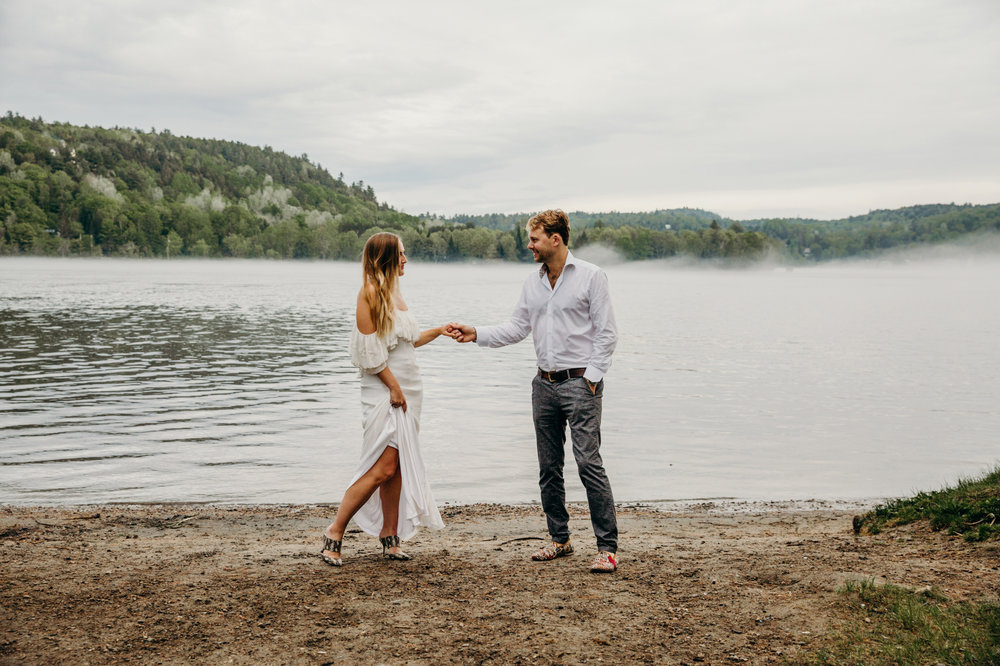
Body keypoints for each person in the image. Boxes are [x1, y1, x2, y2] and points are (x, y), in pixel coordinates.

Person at [448, 210, 620, 573]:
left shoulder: (591, 277)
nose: (530, 245)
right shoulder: (533, 282)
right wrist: (475, 332)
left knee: (589, 464)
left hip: (580, 384)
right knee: (549, 468)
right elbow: (516, 328)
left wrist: (591, 378)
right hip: (543, 384)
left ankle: (607, 548)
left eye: (535, 239)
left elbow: (607, 334)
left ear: (555, 239)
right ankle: (560, 540)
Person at [321, 232, 452, 566]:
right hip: (385, 390)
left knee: (397, 469)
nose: (407, 260)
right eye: (402, 254)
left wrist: (438, 331)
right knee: (383, 467)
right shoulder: (368, 293)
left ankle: (389, 537)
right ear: (386, 258)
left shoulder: (395, 291)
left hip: (409, 389)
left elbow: (405, 342)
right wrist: (393, 387)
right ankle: (334, 532)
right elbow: (370, 354)